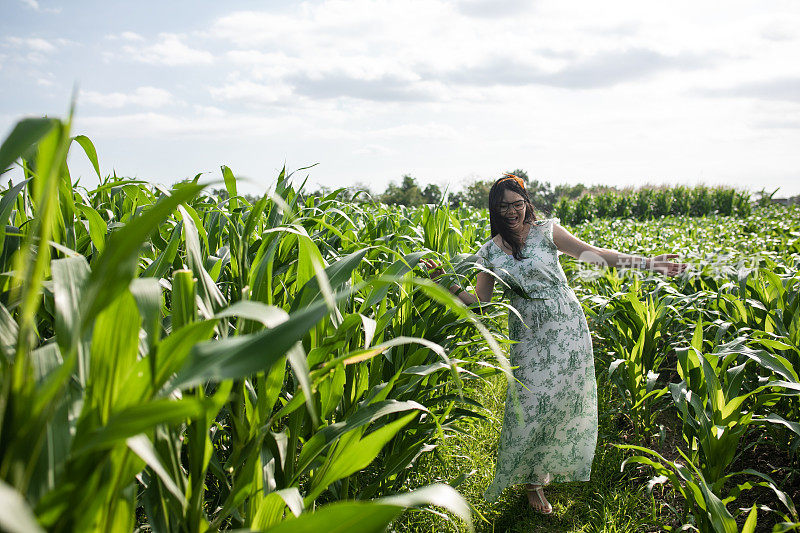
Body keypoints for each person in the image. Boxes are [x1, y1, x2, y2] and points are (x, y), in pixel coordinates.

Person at [425, 174, 687, 514]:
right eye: (504, 206)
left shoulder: (547, 231)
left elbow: (593, 255)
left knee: (564, 396)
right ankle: (532, 483)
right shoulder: (489, 252)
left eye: (517, 204)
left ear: (526, 204)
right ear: (495, 209)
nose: (512, 212)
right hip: (528, 330)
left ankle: (545, 468)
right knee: (532, 400)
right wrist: (442, 282)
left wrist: (648, 263)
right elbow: (479, 301)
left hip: (566, 322)